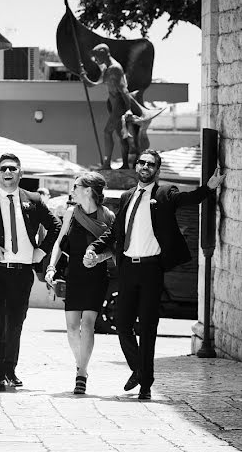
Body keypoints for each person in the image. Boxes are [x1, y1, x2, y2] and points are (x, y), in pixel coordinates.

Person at [84, 150, 224, 400]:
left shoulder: (165, 193)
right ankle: (139, 370)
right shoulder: (127, 196)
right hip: (127, 268)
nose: (145, 166)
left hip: (151, 270)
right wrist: (94, 247)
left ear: (156, 170)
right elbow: (115, 232)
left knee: (147, 328)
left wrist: (208, 188)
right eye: (142, 162)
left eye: (151, 164)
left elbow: (187, 199)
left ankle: (146, 385)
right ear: (136, 166)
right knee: (123, 325)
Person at [0, 153, 61, 392]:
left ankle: (10, 369)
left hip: (22, 272)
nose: (6, 172)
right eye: (2, 168)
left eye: (11, 168)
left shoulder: (33, 200)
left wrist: (42, 251)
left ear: (20, 172)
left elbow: (56, 226)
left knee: (15, 322)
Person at [44, 172, 115, 394]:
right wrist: (51, 267)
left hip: (97, 274)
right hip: (74, 272)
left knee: (88, 324)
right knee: (72, 327)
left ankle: (81, 374)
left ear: (88, 190)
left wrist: (98, 258)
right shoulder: (70, 213)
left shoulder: (108, 215)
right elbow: (59, 242)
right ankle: (80, 363)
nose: (72, 189)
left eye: (76, 186)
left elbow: (113, 248)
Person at [81, 43, 162, 169]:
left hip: (119, 104)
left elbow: (124, 90)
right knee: (121, 136)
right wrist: (84, 77)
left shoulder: (115, 69)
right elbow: (94, 84)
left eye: (97, 57)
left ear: (104, 54)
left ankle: (107, 163)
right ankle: (125, 164)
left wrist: (129, 109)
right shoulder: (106, 69)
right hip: (113, 105)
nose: (95, 60)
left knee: (107, 132)